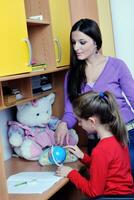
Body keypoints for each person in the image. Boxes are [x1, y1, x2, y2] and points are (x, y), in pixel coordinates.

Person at [55, 18, 134, 173]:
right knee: (101, 187)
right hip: (96, 142)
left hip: (125, 137)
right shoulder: (71, 76)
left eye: (82, 42)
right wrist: (63, 124)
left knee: (126, 186)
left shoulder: (117, 66)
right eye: (73, 42)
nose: (76, 47)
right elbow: (71, 111)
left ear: (96, 42)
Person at [56, 91, 134, 199]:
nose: (79, 124)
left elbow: (94, 192)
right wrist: (83, 157)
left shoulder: (101, 150)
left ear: (92, 121)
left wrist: (71, 173)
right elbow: (107, 168)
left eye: (80, 121)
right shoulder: (119, 138)